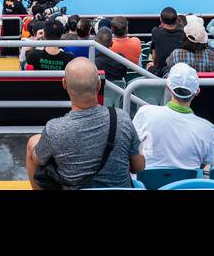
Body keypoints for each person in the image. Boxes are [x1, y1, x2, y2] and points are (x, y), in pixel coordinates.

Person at [26, 58, 144, 189]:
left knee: (33, 142)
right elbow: (138, 166)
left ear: (64, 84)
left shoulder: (54, 129)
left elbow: (38, 159)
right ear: (99, 85)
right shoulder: (122, 118)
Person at [131, 63, 214, 171]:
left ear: (168, 87)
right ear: (197, 92)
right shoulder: (207, 128)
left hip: (147, 185)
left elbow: (130, 150)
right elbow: (205, 164)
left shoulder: (145, 112)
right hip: (186, 186)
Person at [147, 7, 186, 73]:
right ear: (177, 20)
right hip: (178, 72)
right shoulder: (183, 33)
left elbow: (154, 57)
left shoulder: (155, 32)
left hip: (160, 73)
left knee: (148, 66)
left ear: (161, 20)